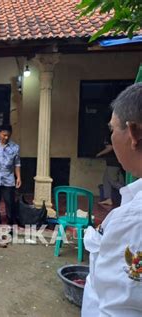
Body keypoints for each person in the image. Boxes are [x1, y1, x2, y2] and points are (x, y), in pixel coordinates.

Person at [82, 83, 142, 316]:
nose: (112, 136)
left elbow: (118, 310)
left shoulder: (133, 220)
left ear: (133, 134)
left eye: (113, 129)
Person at [96, 134, 125, 206]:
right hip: (115, 162)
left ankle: (129, 192)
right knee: (106, 179)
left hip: (113, 163)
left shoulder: (110, 136)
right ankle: (108, 199)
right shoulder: (117, 135)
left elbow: (110, 148)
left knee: (113, 182)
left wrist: (99, 154)